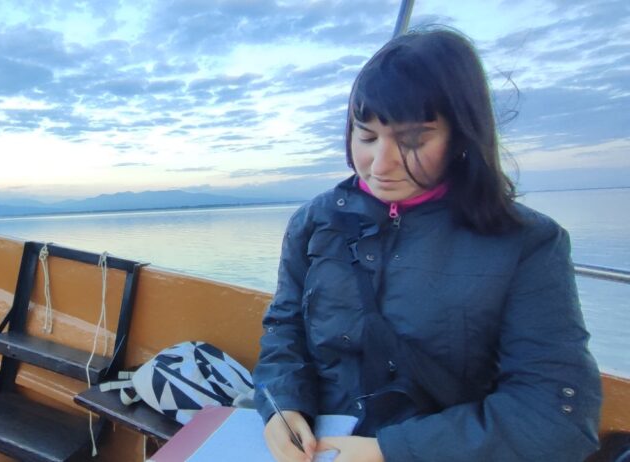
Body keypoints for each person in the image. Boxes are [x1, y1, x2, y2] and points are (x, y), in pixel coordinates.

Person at [253, 28, 601, 462]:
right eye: (366, 136)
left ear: (461, 136)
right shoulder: (313, 222)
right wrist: (279, 408)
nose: (380, 164)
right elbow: (284, 331)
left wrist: (389, 450)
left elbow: (555, 414)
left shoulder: (529, 244)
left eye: (413, 141)